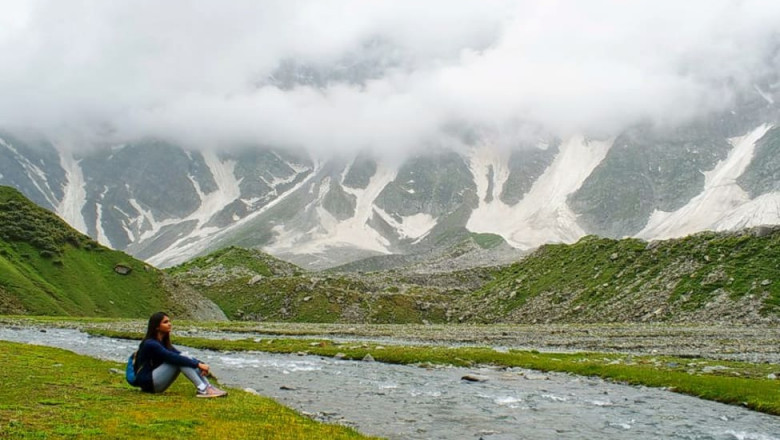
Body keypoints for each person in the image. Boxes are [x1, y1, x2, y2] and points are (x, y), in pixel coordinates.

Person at [134, 312, 227, 398]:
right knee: (179, 360)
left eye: (169, 321)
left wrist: (200, 363)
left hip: (155, 381)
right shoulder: (150, 344)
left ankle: (208, 387)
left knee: (183, 356)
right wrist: (198, 364)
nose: (169, 324)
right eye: (165, 322)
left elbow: (178, 354)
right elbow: (171, 357)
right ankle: (202, 389)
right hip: (149, 383)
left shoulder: (162, 342)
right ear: (157, 327)